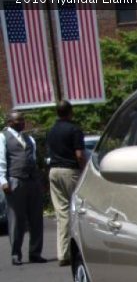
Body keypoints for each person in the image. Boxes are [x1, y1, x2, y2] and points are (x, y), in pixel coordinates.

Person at [0, 111, 45, 266]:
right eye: (18, 120)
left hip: (32, 180)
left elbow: (32, 158)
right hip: (15, 180)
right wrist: (3, 181)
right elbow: (1, 161)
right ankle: (15, 254)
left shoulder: (29, 138)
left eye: (22, 120)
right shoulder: (3, 137)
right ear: (10, 122)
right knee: (16, 219)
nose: (22, 122)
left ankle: (35, 252)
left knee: (36, 218)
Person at [46, 100, 85, 266]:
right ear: (70, 112)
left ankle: (63, 253)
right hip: (70, 171)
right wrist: (84, 171)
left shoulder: (51, 131)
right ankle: (79, 250)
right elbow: (79, 154)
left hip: (53, 171)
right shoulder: (74, 130)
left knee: (62, 212)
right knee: (77, 210)